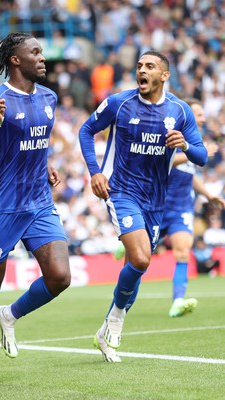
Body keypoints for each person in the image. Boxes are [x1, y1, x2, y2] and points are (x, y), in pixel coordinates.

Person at [78, 50, 207, 363]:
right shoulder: (119, 102)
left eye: (150, 66)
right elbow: (86, 130)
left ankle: (107, 325)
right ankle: (117, 318)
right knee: (139, 257)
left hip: (155, 201)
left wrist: (185, 145)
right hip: (121, 192)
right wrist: (95, 171)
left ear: (164, 75)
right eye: (139, 66)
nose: (142, 70)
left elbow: (202, 156)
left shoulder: (180, 111)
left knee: (136, 267)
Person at [0, 32, 71, 385]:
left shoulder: (49, 97)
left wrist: (45, 164)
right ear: (16, 60)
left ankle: (10, 315)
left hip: (39, 202)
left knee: (60, 277)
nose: (43, 58)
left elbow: (35, 141)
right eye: (36, 52)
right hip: (3, 206)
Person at [160, 98, 225, 317]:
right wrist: (191, 150)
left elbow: (191, 174)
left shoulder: (194, 141)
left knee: (182, 253)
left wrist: (208, 195)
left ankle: (178, 301)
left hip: (180, 209)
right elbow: (163, 161)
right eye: (198, 114)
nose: (203, 118)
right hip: (156, 206)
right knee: (139, 259)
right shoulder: (171, 133)